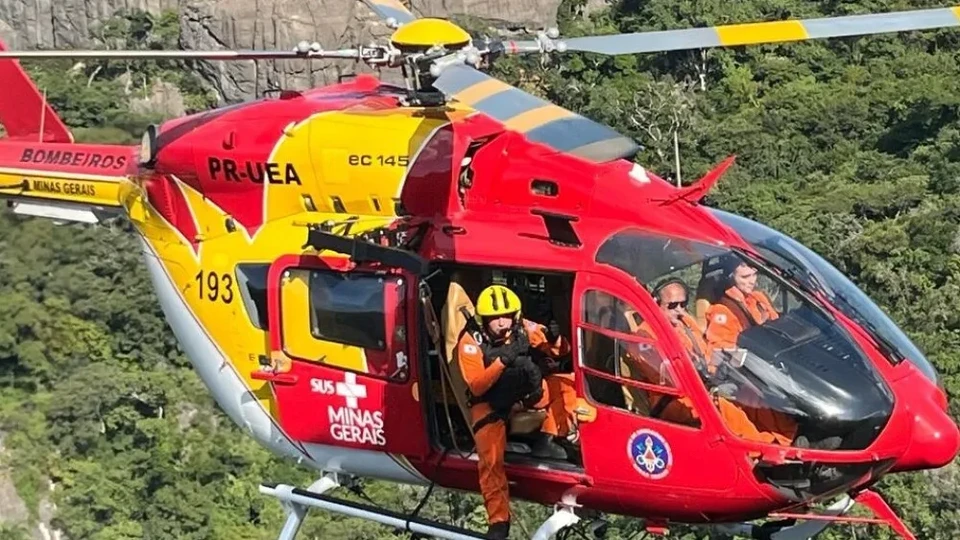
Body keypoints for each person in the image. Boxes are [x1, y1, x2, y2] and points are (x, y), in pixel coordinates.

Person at [455, 284, 576, 539]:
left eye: (507, 316)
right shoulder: (469, 342)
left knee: (565, 384)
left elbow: (560, 350)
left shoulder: (522, 327)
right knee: (490, 460)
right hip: (489, 403)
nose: (502, 323)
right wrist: (503, 360)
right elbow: (477, 385)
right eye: (495, 318)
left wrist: (555, 339)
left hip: (525, 393)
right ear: (483, 319)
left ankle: (550, 437)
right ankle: (498, 521)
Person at [646, 278, 795, 446]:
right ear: (655, 303)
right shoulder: (645, 334)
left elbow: (707, 351)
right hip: (677, 398)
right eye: (672, 306)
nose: (680, 310)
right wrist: (700, 372)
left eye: (683, 304)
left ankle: (789, 439)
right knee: (725, 409)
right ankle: (758, 450)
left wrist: (725, 364)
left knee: (754, 395)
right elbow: (662, 373)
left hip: (705, 383)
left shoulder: (685, 323)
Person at [705, 259, 779, 349]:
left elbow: (777, 323)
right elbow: (719, 347)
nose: (752, 281)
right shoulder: (722, 310)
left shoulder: (758, 297)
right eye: (745, 277)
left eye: (754, 274)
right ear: (731, 278)